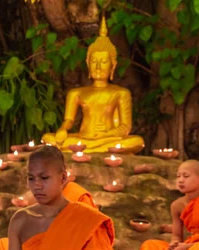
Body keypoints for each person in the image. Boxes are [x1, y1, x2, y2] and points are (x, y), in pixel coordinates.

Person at [40, 17, 144, 153]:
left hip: (108, 137)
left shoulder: (121, 93)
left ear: (113, 66)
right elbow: (68, 120)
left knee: (137, 141)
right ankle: (94, 148)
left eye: (103, 62)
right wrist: (63, 129)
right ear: (88, 64)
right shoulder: (76, 93)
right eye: (94, 62)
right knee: (48, 138)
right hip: (83, 137)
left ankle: (84, 149)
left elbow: (125, 127)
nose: (98, 66)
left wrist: (106, 134)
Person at [0, 180, 97, 250]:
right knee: (2, 243)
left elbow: (89, 230)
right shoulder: (42, 195)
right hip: (40, 248)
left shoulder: (79, 196)